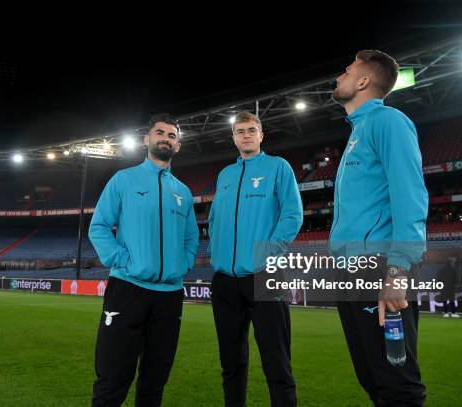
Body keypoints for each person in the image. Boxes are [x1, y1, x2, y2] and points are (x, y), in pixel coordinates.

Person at [329, 50, 428, 406]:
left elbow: (410, 195)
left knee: (397, 382)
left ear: (364, 81)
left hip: (378, 266)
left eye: (347, 69)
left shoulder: (389, 121)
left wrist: (398, 269)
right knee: (372, 378)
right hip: (350, 270)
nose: (340, 75)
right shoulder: (359, 131)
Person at [88, 113, 199, 407]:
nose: (166, 138)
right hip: (127, 289)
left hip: (170, 296)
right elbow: (98, 226)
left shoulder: (183, 192)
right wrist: (120, 259)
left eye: (172, 135)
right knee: (113, 377)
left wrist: (183, 264)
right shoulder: (124, 180)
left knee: (155, 380)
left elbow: (192, 238)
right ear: (146, 139)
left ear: (177, 145)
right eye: (160, 133)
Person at [208, 111, 303, 407]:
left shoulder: (278, 167)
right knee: (231, 364)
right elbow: (213, 220)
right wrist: (217, 254)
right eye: (240, 131)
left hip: (265, 275)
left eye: (251, 130)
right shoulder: (224, 175)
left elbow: (292, 215)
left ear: (261, 135)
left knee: (276, 363)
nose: (246, 135)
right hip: (224, 282)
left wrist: (267, 253)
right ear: (234, 137)